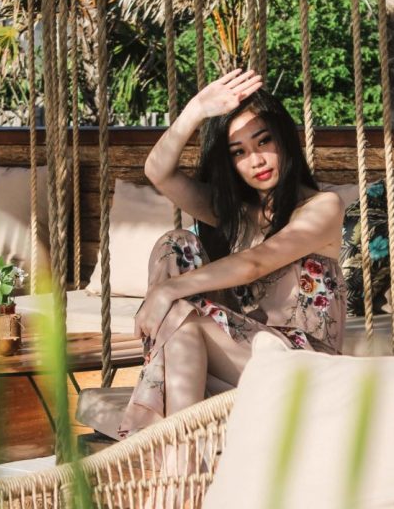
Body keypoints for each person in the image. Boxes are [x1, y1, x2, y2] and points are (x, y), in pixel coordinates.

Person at [119, 68, 346, 437]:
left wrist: (166, 291)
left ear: (285, 139)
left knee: (181, 316)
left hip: (305, 367)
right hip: (245, 357)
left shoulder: (323, 208)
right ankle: (180, 453)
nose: (256, 161)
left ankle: (157, 438)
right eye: (239, 152)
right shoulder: (238, 216)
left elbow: (256, 262)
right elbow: (158, 172)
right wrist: (195, 110)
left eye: (263, 142)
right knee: (175, 243)